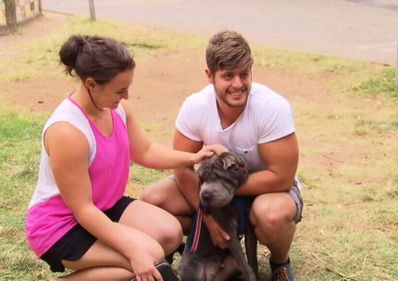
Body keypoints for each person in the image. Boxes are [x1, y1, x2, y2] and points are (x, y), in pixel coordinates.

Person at [25, 34, 216, 281]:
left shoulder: (116, 109)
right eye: (120, 90)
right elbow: (82, 209)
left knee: (170, 234)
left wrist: (193, 157)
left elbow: (144, 151)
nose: (126, 97)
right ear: (91, 84)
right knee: (148, 257)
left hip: (104, 206)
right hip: (60, 224)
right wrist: (133, 252)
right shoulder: (67, 131)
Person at [141, 30, 304, 281]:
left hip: (266, 190)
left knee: (272, 216)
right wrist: (207, 216)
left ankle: (280, 263)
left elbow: (281, 178)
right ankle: (197, 254)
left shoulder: (272, 108)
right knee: (153, 201)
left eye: (244, 74)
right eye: (228, 76)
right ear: (209, 75)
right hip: (216, 193)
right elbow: (181, 166)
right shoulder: (195, 107)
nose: (238, 84)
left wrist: (219, 191)